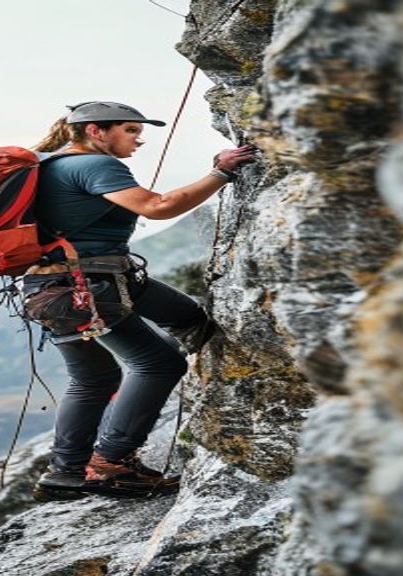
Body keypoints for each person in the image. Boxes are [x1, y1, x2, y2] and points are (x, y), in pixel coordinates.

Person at [26, 101, 256, 500]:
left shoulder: (48, 166)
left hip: (51, 289)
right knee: (159, 361)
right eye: (130, 130)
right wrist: (221, 172)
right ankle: (109, 464)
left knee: (97, 375)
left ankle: (64, 473)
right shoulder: (95, 164)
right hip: (91, 286)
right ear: (96, 131)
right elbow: (157, 206)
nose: (139, 139)